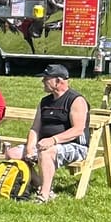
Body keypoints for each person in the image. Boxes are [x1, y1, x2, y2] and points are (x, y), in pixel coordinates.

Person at [20, 64, 90, 202]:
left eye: (46, 78)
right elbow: (35, 128)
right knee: (13, 153)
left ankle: (44, 195)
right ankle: (42, 184)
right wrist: (29, 148)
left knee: (47, 152)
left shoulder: (76, 100)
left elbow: (78, 130)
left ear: (58, 81)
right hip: (44, 144)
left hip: (74, 146)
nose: (42, 81)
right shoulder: (44, 101)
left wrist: (53, 140)